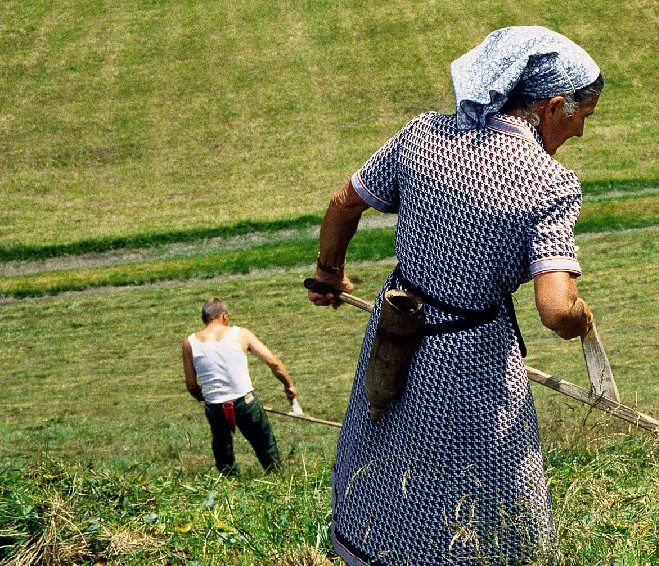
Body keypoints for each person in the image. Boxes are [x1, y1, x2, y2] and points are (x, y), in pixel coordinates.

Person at [306, 26, 600, 565]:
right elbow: (555, 308)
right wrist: (580, 320)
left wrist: (329, 272)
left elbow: (344, 202)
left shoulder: (422, 137)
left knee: (387, 458)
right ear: (554, 106)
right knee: (483, 485)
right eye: (583, 117)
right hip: (472, 355)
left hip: (396, 327)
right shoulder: (549, 182)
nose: (580, 133)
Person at [182, 298, 298, 476]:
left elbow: (191, 385)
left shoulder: (190, 343)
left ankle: (230, 486)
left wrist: (204, 397)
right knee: (264, 443)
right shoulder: (240, 334)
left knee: (222, 448)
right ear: (224, 316)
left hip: (214, 405)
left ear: (204, 319)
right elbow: (273, 362)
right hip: (245, 402)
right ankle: (277, 478)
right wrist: (288, 386)